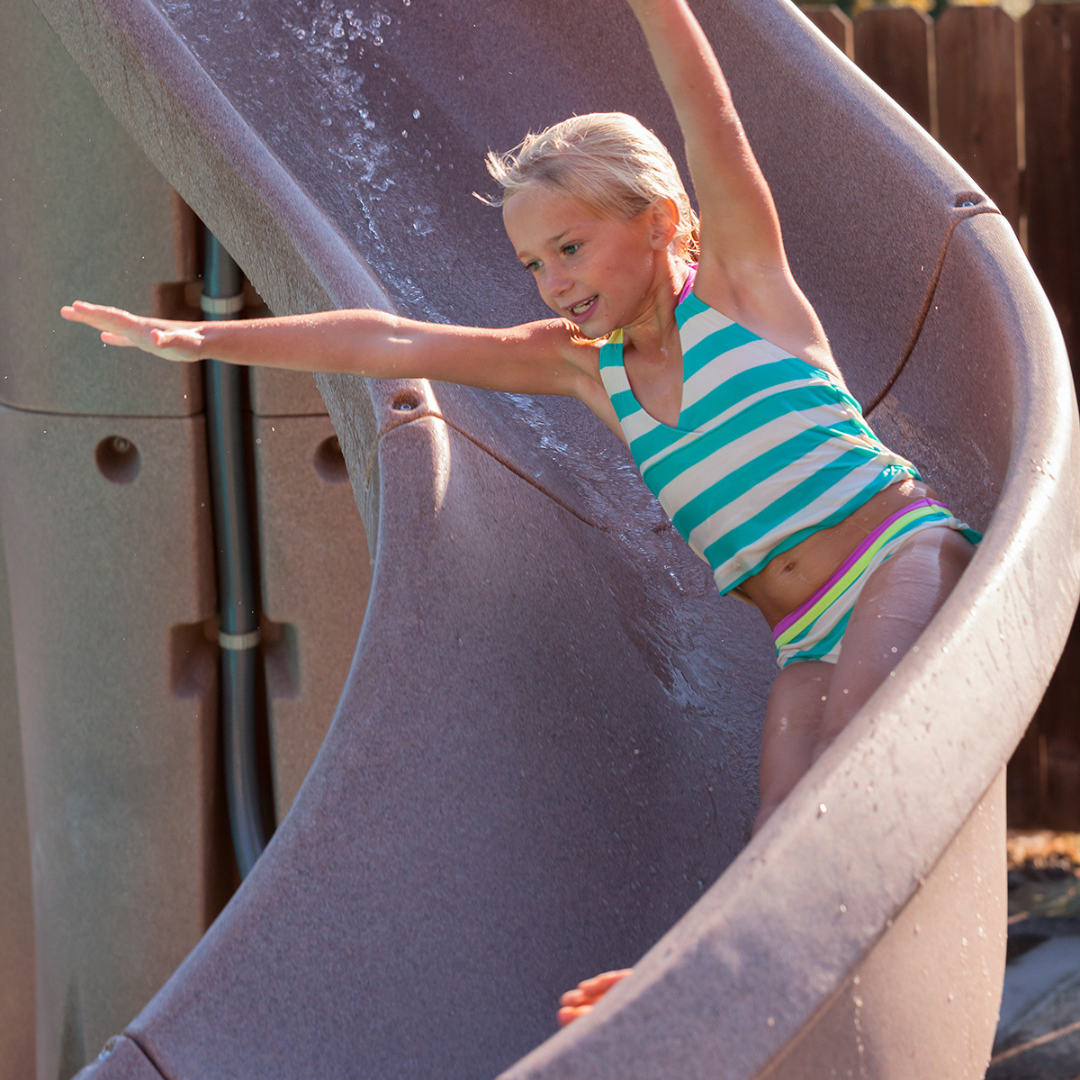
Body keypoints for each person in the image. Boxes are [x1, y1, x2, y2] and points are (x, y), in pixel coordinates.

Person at [62, 0, 979, 1028]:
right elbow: (390, 342)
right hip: (802, 631)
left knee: (852, 752)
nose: (553, 281)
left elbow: (705, 111)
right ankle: (698, 986)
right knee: (776, 820)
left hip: (895, 548)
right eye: (534, 263)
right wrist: (200, 344)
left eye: (572, 248)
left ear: (665, 223)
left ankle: (713, 978)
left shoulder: (746, 290)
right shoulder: (588, 375)